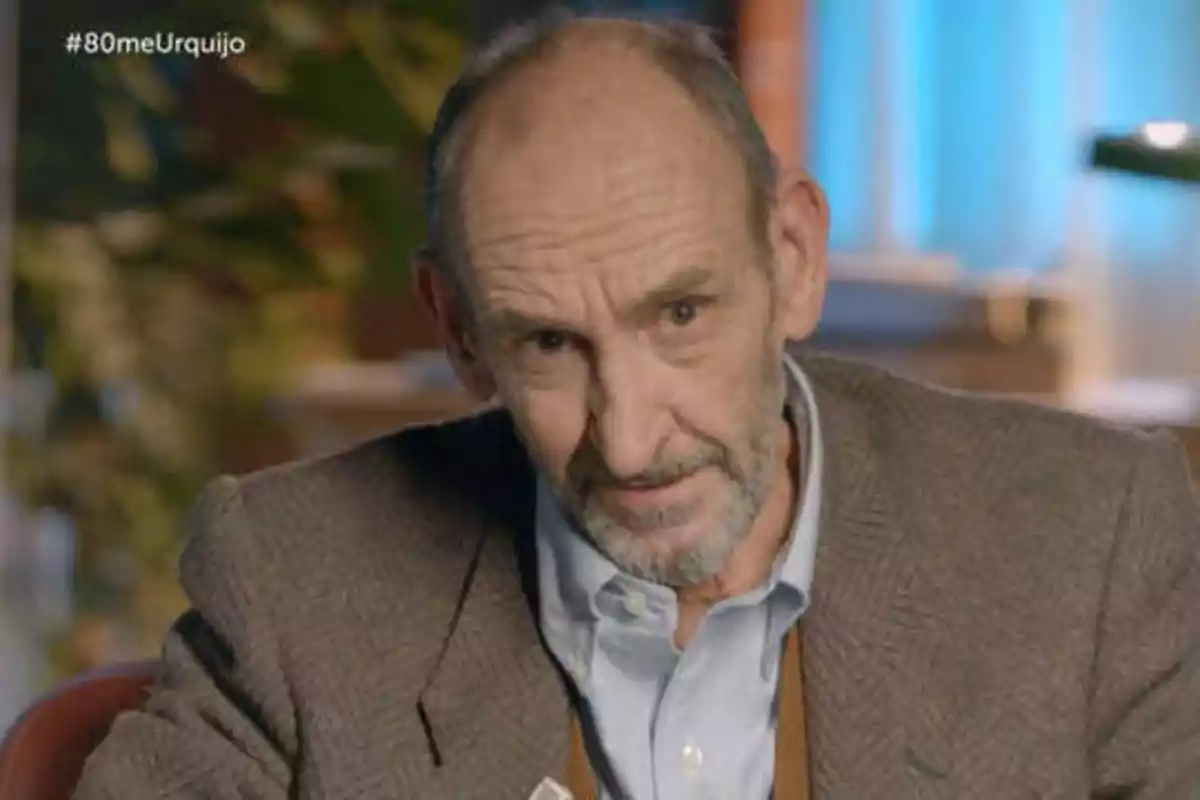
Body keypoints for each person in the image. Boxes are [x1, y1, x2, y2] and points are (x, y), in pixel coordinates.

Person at [76, 11, 1200, 800]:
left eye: (680, 314)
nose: (629, 435)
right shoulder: (294, 582)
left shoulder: (1097, 537)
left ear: (795, 259)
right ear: (460, 332)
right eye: (551, 342)